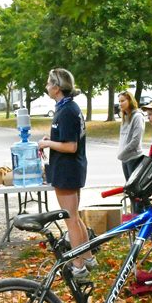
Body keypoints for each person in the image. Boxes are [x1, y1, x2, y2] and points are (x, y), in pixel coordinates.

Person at [38, 68, 96, 279]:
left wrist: (47, 143)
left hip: (67, 170)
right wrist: (52, 140)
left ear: (56, 87)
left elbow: (71, 146)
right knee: (75, 217)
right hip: (68, 169)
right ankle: (88, 258)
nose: (46, 86)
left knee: (70, 220)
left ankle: (78, 266)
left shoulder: (68, 110)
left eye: (48, 83)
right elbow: (65, 139)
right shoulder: (65, 108)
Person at [117, 91, 145, 202]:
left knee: (136, 191)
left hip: (134, 158)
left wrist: (122, 153)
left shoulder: (137, 116)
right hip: (125, 158)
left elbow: (135, 141)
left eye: (123, 101)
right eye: (119, 101)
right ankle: (134, 211)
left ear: (130, 101)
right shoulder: (125, 116)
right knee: (130, 192)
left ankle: (139, 211)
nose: (120, 104)